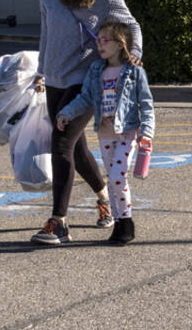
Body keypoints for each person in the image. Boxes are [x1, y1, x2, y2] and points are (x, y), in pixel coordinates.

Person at [30, 0, 143, 246]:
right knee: (75, 148)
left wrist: (136, 55)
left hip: (86, 78)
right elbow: (46, 32)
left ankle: (59, 222)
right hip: (55, 77)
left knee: (61, 143)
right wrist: (41, 70)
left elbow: (131, 25)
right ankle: (104, 196)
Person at [56, 19, 154, 246]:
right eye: (97, 40)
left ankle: (126, 222)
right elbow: (86, 98)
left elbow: (146, 103)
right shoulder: (96, 69)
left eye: (104, 40)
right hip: (105, 133)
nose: (99, 44)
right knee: (112, 180)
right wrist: (66, 113)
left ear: (120, 44)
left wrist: (146, 133)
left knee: (118, 176)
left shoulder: (133, 70)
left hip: (127, 132)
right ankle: (119, 223)